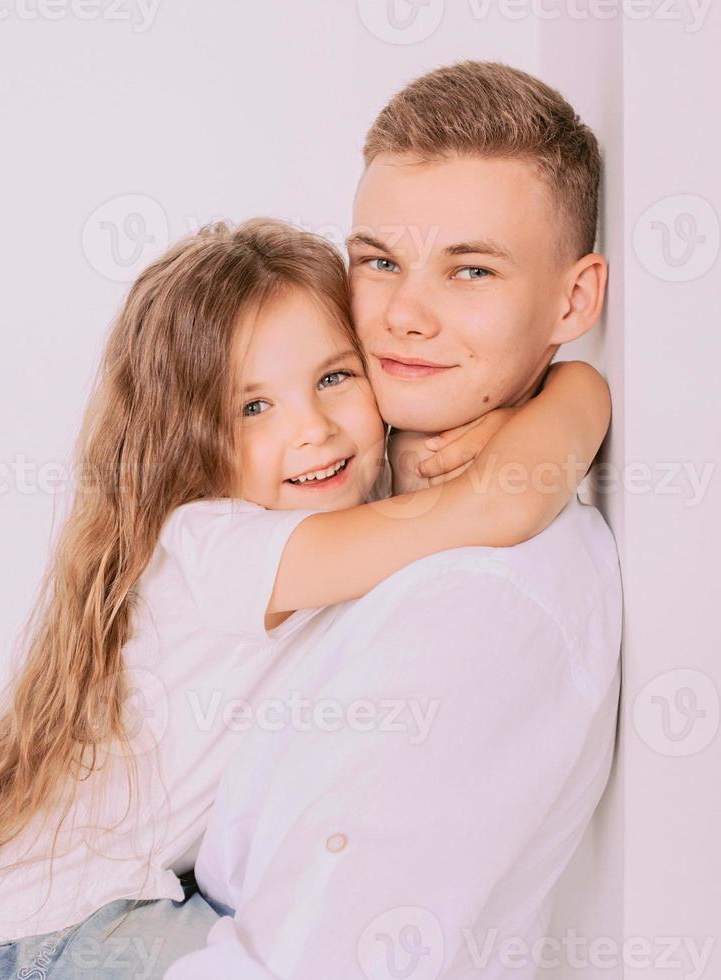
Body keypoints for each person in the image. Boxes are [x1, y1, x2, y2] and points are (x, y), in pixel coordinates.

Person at [0, 211, 607, 978]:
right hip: (60, 933)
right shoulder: (213, 545)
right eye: (253, 408)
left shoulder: (327, 510)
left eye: (332, 378)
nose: (311, 428)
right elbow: (491, 507)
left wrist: (499, 423)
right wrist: (583, 387)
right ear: (188, 438)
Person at [163, 62, 622, 979]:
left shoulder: (480, 606)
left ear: (572, 301)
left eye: (471, 271)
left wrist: (577, 393)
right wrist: (573, 391)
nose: (403, 317)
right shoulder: (342, 476)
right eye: (379, 262)